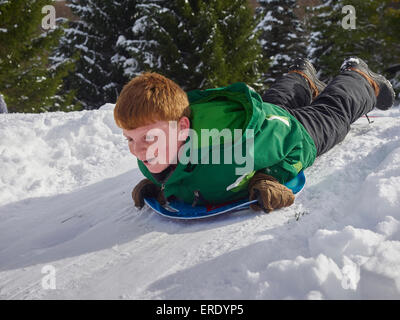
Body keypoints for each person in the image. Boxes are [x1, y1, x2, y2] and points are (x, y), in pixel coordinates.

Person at [113, 57, 395, 213]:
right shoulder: (154, 154)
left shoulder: (231, 152)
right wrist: (163, 184)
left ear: (183, 128)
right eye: (129, 139)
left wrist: (269, 175)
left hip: (286, 130)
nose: (138, 151)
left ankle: (359, 77)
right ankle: (301, 76)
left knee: (332, 113)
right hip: (254, 119)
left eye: (149, 138)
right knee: (273, 100)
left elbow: (290, 141)